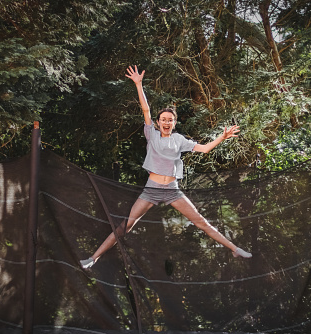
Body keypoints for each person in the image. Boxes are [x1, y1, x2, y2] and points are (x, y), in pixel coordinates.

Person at [80, 65, 252, 269]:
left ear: (174, 122)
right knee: (125, 226)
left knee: (201, 222)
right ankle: (94, 258)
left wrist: (222, 137)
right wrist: (138, 84)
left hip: (172, 190)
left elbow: (205, 149)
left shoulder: (179, 140)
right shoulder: (151, 134)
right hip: (151, 189)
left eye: (170, 120)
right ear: (158, 122)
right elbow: (145, 109)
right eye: (163, 120)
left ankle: (234, 248)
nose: (166, 122)